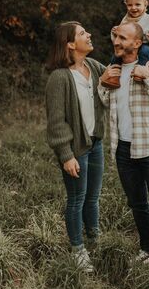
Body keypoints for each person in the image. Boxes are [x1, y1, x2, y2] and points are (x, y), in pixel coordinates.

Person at [98, 22, 149, 284]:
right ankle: (148, 250)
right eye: (115, 37)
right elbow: (105, 101)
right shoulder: (111, 68)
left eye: (123, 38)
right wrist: (102, 83)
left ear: (137, 43)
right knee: (137, 204)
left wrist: (146, 78)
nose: (117, 41)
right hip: (123, 148)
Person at [45, 21, 106, 273]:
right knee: (77, 200)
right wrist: (66, 155)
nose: (88, 34)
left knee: (93, 198)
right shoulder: (59, 78)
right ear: (70, 44)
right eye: (82, 33)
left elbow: (116, 71)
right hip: (75, 150)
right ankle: (78, 250)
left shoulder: (93, 67)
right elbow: (56, 122)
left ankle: (94, 241)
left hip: (96, 144)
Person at [101, 0, 149, 89]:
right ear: (126, 4)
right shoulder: (125, 20)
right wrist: (116, 32)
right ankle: (114, 77)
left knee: (145, 52)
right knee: (115, 57)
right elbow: (119, 38)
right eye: (130, 5)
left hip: (144, 44)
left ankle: (139, 71)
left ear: (146, 3)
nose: (133, 8)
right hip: (127, 47)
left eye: (137, 4)